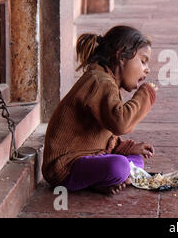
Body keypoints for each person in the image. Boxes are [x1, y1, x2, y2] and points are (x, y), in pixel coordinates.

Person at [42, 25, 157, 195]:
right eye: (143, 60)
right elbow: (120, 124)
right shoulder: (99, 81)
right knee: (120, 166)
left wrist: (126, 148)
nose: (147, 69)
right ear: (121, 56)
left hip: (91, 157)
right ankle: (104, 180)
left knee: (136, 160)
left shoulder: (108, 81)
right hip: (65, 167)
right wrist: (145, 95)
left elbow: (103, 134)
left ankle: (103, 180)